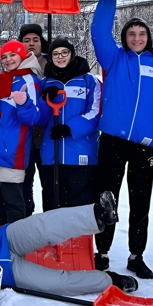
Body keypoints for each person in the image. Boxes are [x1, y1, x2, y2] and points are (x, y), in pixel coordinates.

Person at [0, 141, 139, 296]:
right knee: (57, 282)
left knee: (45, 224)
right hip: (4, 270)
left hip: (4, 238)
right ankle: (110, 280)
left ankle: (99, 215)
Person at [91, 0, 153, 278]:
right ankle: (101, 253)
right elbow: (99, 30)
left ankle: (136, 255)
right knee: (106, 199)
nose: (137, 38)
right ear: (125, 37)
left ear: (148, 38)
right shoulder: (114, 60)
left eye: (141, 34)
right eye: (131, 34)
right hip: (112, 143)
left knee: (141, 203)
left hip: (144, 148)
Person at [0, 40, 43, 226]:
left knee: (13, 205)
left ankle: (15, 246)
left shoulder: (28, 79)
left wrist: (24, 103)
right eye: (4, 57)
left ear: (22, 56)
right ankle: (1, 241)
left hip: (10, 154)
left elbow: (32, 118)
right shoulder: (2, 80)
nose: (8, 60)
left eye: (12, 55)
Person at [37, 36, 101, 210]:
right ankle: (54, 239)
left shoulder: (90, 82)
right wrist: (44, 99)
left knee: (79, 210)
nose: (60, 57)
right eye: (55, 53)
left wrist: (69, 128)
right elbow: (40, 119)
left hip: (81, 155)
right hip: (52, 155)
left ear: (72, 54)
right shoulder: (45, 83)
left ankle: (78, 239)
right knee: (53, 208)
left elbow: (96, 113)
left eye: (64, 52)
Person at [19, 23, 49, 216]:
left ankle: (49, 226)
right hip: (24, 138)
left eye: (35, 40)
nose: (31, 44)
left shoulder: (52, 64)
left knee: (49, 185)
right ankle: (26, 224)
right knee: (24, 185)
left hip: (46, 137)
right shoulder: (17, 65)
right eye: (26, 40)